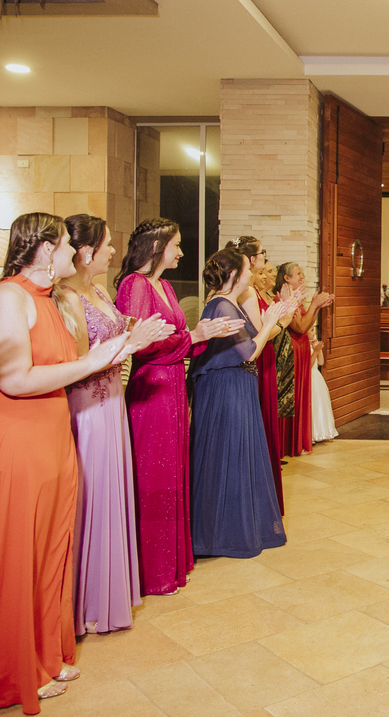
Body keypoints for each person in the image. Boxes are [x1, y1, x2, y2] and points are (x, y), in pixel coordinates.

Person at [0, 213, 135, 712]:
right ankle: (11, 668)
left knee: (49, 548)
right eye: (68, 243)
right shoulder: (7, 297)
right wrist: (95, 361)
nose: (75, 251)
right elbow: (14, 379)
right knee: (17, 554)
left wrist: (114, 351)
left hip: (49, 435)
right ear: (46, 249)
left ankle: (44, 654)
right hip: (11, 440)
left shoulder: (48, 300)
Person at [115, 218, 244, 596]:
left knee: (173, 472)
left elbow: (178, 338)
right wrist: (194, 335)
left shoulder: (166, 286)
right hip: (151, 389)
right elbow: (142, 345)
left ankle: (171, 563)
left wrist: (202, 337)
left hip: (172, 385)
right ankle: (150, 571)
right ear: (157, 247)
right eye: (176, 245)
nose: (182, 253)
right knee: (153, 476)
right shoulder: (134, 285)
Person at [60, 215, 172, 636]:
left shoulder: (101, 291)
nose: (112, 251)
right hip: (88, 404)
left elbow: (119, 336)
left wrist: (136, 335)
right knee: (91, 492)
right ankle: (84, 603)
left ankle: (107, 592)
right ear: (86, 252)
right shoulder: (68, 297)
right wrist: (129, 345)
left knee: (111, 488)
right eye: (107, 244)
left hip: (112, 400)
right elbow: (78, 363)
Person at [190, 248, 291, 558]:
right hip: (225, 389)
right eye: (248, 269)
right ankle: (222, 534)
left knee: (238, 456)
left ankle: (235, 527)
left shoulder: (229, 303)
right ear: (234, 275)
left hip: (237, 386)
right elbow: (248, 353)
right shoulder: (222, 305)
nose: (252, 274)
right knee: (227, 457)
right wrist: (269, 322)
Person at [230, 238, 289, 515]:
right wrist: (282, 320)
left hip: (256, 359)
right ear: (252, 260)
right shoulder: (249, 293)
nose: (265, 257)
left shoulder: (247, 290)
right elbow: (258, 335)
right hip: (256, 359)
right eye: (262, 253)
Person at [275, 262, 334, 456]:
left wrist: (316, 308)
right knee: (293, 397)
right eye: (298, 274)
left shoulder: (295, 300)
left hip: (300, 349)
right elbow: (300, 327)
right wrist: (314, 305)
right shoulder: (284, 299)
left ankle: (298, 441)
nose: (302, 277)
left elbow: (306, 325)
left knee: (300, 397)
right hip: (291, 351)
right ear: (286, 278)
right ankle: (288, 443)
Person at [310, 337, 338, 443]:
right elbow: (308, 365)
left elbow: (321, 362)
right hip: (310, 376)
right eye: (311, 330)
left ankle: (321, 431)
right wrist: (315, 351)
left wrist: (319, 350)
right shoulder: (304, 346)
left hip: (316, 377)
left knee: (319, 403)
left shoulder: (314, 345)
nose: (313, 334)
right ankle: (311, 433)